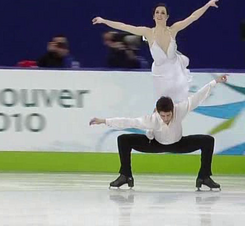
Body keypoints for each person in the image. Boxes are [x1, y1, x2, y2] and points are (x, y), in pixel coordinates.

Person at [89, 74, 228, 190]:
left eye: (169, 115)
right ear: (158, 112)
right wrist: (104, 120)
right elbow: (129, 121)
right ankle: (125, 175)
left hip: (178, 143)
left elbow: (198, 97)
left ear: (173, 110)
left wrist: (215, 81)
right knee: (123, 139)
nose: (166, 118)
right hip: (155, 143)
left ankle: (204, 177)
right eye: (163, 115)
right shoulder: (152, 120)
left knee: (208, 141)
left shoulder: (180, 109)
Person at [92, 0, 219, 103]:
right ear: (153, 16)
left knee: (181, 106)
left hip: (176, 72)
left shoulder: (173, 30)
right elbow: (123, 26)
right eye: (157, 12)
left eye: (163, 13)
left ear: (167, 16)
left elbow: (193, 17)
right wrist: (103, 21)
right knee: (162, 108)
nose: (159, 15)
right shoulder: (148, 32)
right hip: (161, 76)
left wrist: (207, 5)